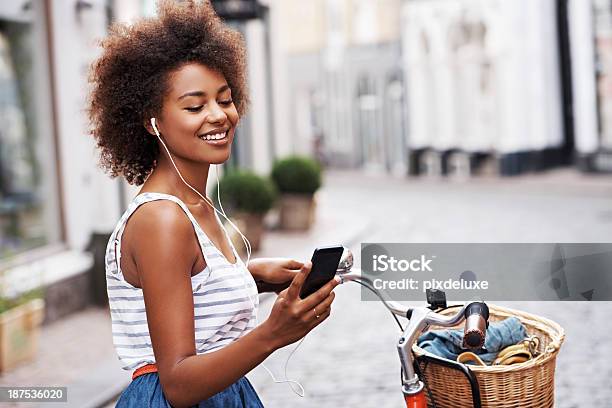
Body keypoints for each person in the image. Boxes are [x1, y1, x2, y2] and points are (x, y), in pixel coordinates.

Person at [88, 1, 338, 406]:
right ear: (152, 122)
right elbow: (179, 385)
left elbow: (186, 288)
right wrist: (274, 332)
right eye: (194, 106)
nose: (219, 115)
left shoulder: (195, 204)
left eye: (224, 99)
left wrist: (252, 277)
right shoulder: (162, 219)